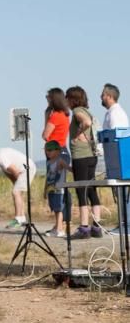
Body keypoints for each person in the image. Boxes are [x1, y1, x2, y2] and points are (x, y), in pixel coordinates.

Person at [65, 86, 101, 239]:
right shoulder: (88, 111)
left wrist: (77, 134)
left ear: (72, 99)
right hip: (91, 155)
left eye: (67, 97)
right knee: (92, 189)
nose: (65, 100)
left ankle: (84, 228)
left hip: (81, 155)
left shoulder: (77, 111)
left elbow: (85, 122)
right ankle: (97, 227)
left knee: (81, 190)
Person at [101, 84, 129, 235]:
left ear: (109, 96)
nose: (101, 97)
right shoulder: (110, 113)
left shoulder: (116, 113)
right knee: (120, 195)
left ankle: (126, 225)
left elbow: (116, 138)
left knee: (123, 193)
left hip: (119, 161)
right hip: (114, 162)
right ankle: (123, 223)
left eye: (103, 95)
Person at [0, 147, 37, 229]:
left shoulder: (0, 157)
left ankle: (18, 220)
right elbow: (10, 174)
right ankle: (22, 219)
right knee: (17, 192)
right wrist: (17, 185)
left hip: (26, 169)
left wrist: (17, 188)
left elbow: (15, 171)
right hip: (26, 168)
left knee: (16, 192)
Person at [43, 140, 69, 237]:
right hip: (51, 188)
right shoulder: (48, 162)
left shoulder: (60, 160)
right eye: (46, 150)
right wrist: (45, 190)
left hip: (59, 189)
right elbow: (47, 176)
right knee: (54, 208)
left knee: (59, 209)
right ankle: (58, 227)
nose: (48, 152)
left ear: (58, 151)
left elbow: (68, 168)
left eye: (50, 150)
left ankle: (59, 229)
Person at [42, 88, 70, 163]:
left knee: (53, 174)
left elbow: (45, 135)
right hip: (62, 149)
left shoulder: (56, 116)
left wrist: (46, 117)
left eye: (48, 97)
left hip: (55, 151)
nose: (47, 99)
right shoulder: (64, 114)